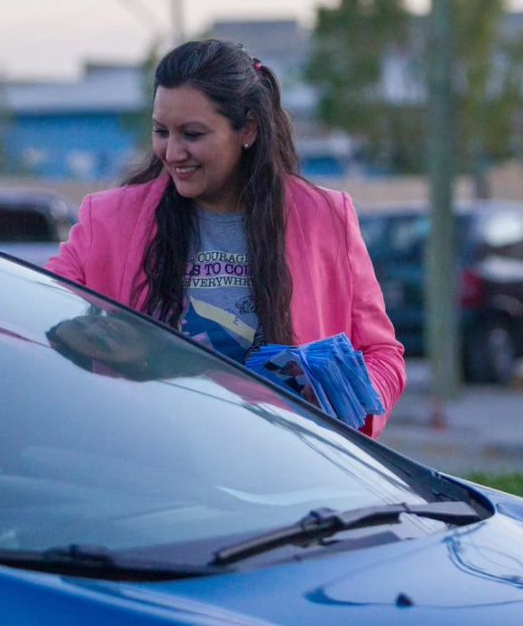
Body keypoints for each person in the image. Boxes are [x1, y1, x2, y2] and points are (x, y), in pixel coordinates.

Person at [46, 39, 404, 437]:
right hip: (151, 462)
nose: (173, 152)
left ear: (247, 129)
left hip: (289, 464)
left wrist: (345, 400)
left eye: (192, 134)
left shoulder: (325, 217)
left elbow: (382, 355)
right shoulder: (108, 219)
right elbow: (36, 311)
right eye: (161, 131)